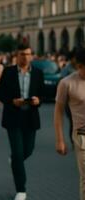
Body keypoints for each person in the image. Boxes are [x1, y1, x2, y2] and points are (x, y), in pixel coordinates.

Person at [0, 43, 44, 200]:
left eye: (28, 54)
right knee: (17, 153)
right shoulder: (8, 72)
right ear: (17, 55)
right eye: (22, 54)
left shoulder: (37, 73)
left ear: (32, 56)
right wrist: (11, 101)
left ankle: (15, 160)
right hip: (13, 117)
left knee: (28, 150)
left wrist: (39, 100)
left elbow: (43, 93)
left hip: (31, 117)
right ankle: (21, 190)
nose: (25, 57)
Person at [54, 47, 85, 200]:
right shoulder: (66, 83)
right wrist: (60, 140)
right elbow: (58, 112)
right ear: (79, 66)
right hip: (82, 135)